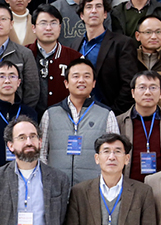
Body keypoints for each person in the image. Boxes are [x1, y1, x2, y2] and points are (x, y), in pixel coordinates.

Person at [39, 57, 119, 185]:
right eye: (76, 76)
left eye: (87, 76)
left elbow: (114, 153)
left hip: (92, 187)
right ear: (66, 83)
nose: (81, 80)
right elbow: (41, 152)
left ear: (93, 83)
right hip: (56, 185)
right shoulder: (50, 113)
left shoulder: (106, 114)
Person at [76, 0, 140, 114]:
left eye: (98, 6)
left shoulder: (122, 44)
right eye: (89, 7)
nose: (94, 11)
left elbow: (129, 84)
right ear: (82, 15)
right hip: (79, 112)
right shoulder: (75, 45)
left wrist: (112, 113)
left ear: (105, 14)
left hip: (110, 112)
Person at [116, 70, 161, 183]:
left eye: (153, 88)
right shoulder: (118, 123)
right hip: (129, 186)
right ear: (133, 92)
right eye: (142, 87)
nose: (147, 92)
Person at [28, 4, 82, 113]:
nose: (48, 28)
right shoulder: (24, 54)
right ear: (33, 28)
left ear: (60, 27)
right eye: (43, 23)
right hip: (29, 117)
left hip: (64, 117)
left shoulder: (75, 58)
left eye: (53, 23)